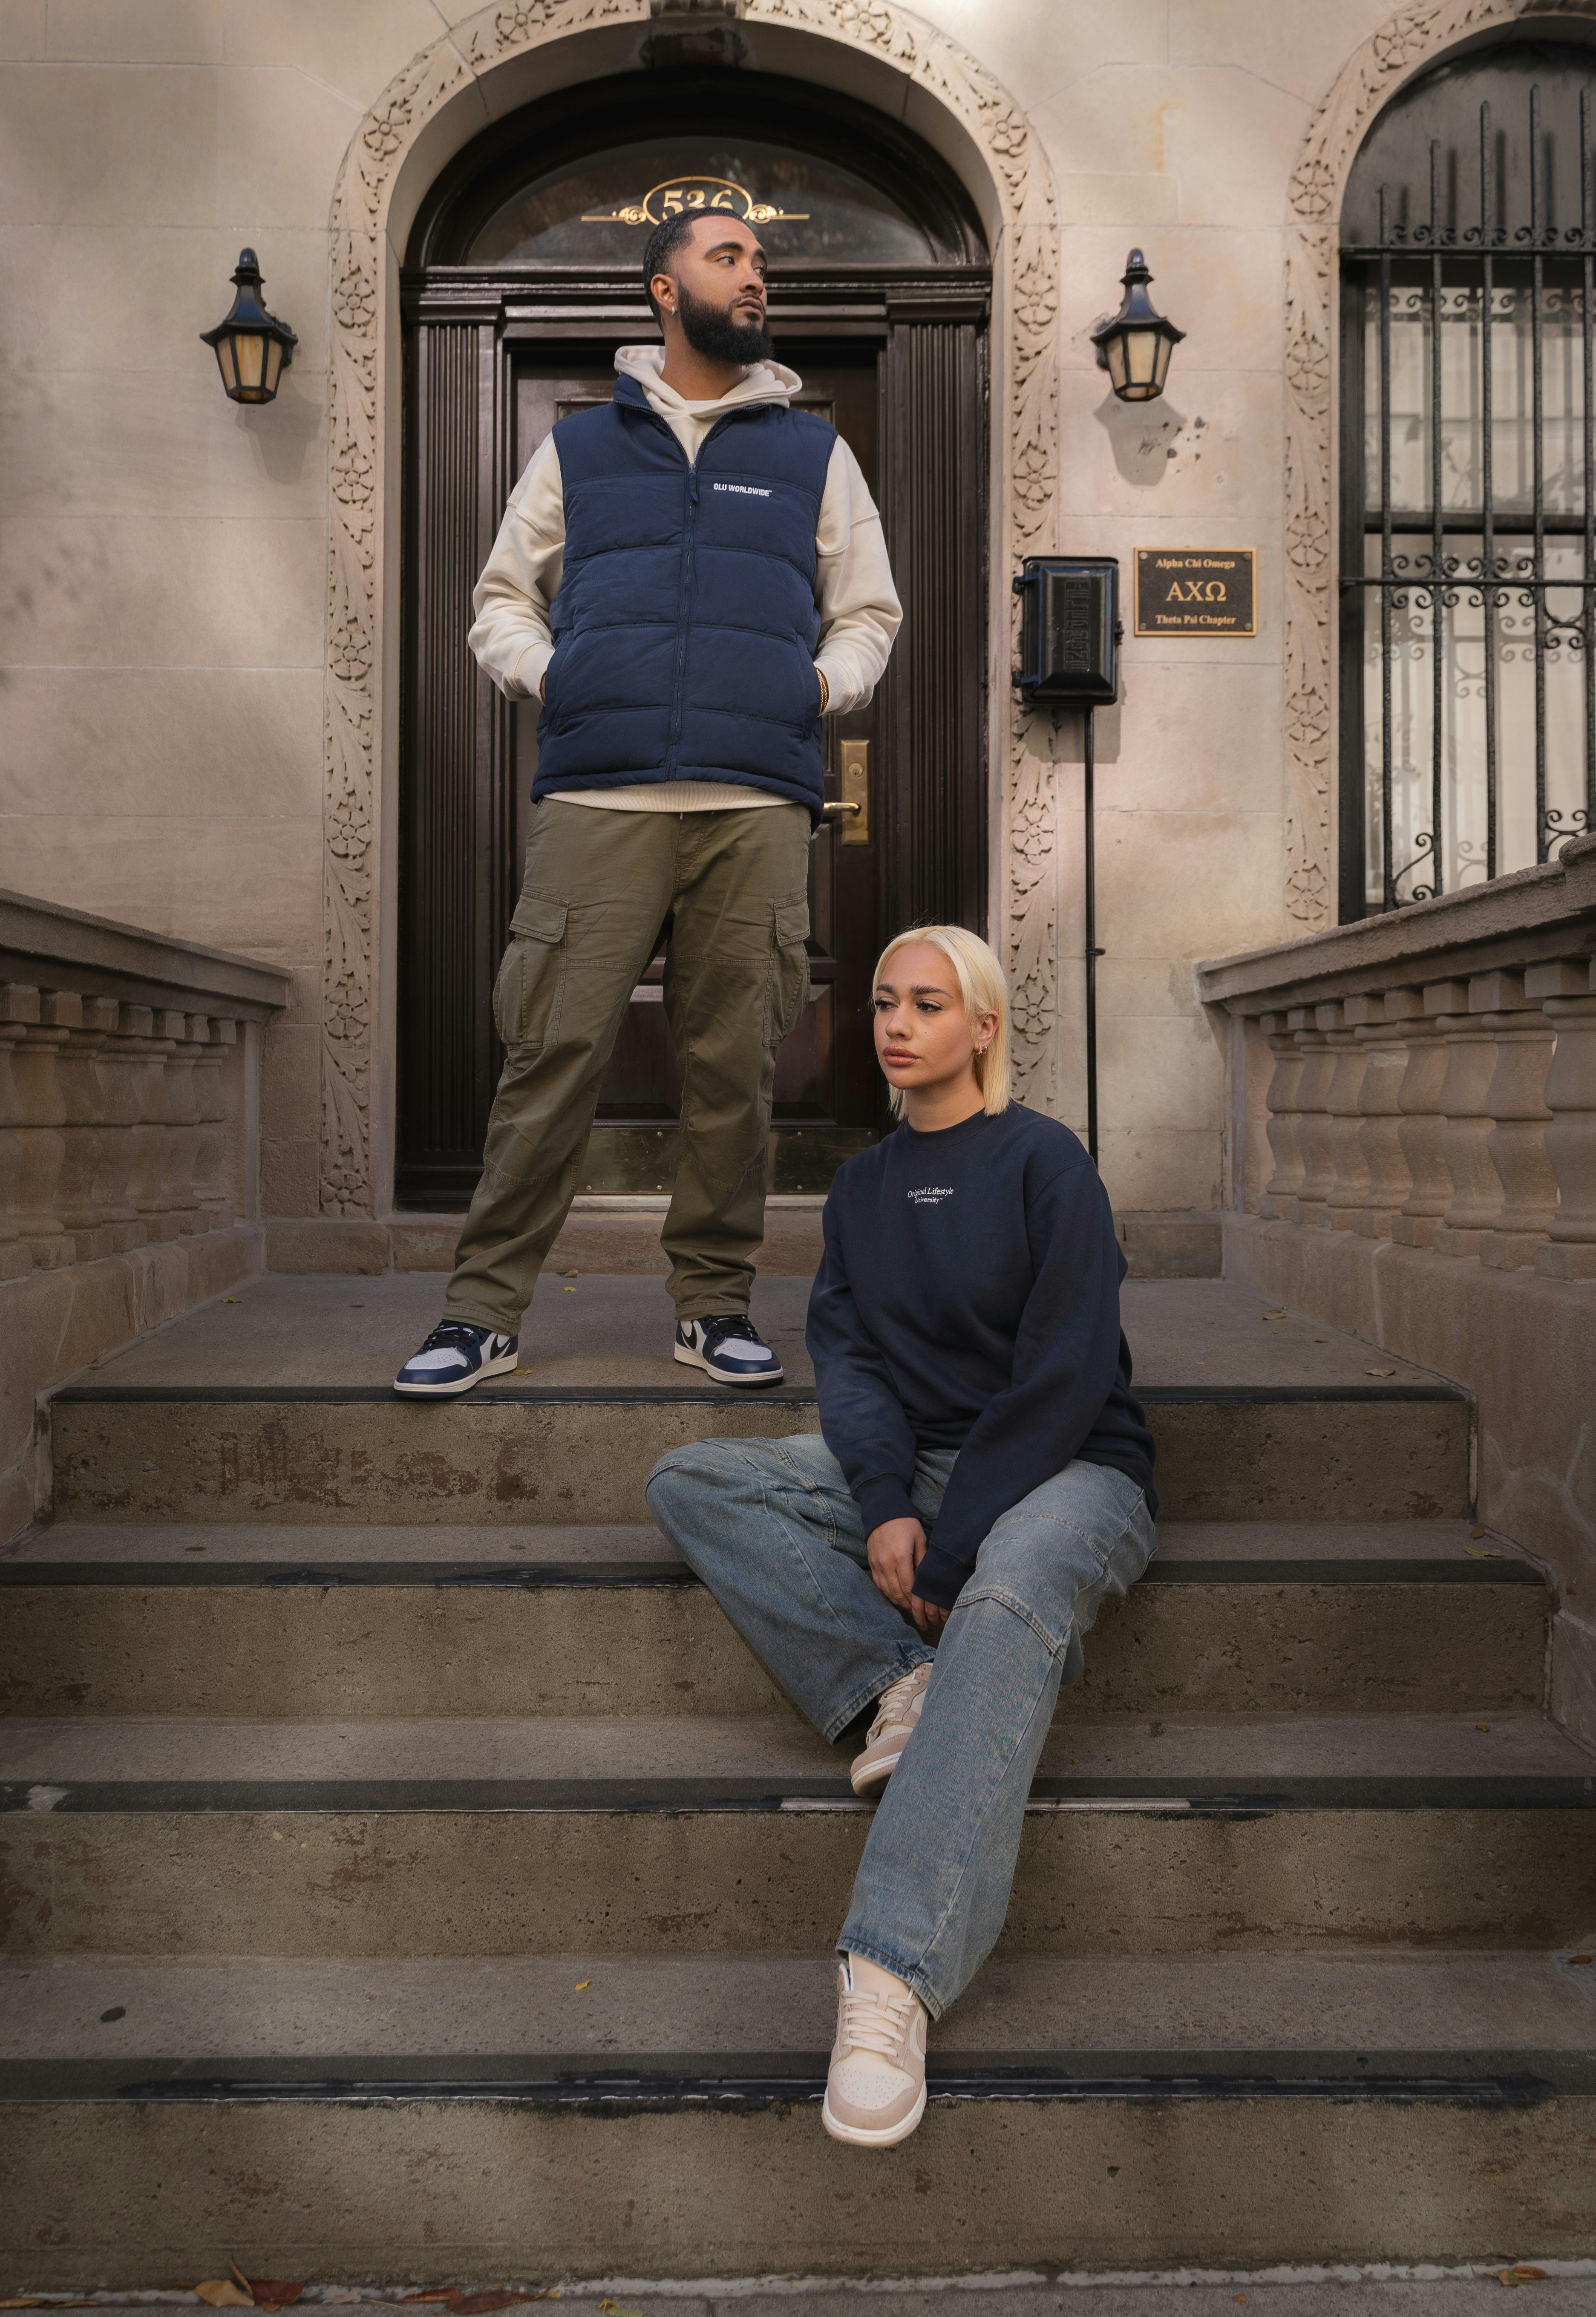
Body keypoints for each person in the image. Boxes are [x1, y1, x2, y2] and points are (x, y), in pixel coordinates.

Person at [645, 924, 1157, 2147]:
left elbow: (1068, 1368)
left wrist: (953, 1538)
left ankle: (889, 1975)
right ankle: (898, 1680)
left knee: (1008, 1593)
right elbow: (854, 1361)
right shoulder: (865, 1188)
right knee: (694, 1479)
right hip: (914, 1469)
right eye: (884, 1002)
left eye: (927, 1004)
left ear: (982, 1026)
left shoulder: (1046, 1164)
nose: (895, 1024)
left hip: (1070, 1467)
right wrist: (883, 1504)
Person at [394, 205, 902, 1400]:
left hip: (755, 799)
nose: (756, 276)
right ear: (665, 290)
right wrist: (560, 674)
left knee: (733, 1067)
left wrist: (812, 688)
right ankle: (482, 1314)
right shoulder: (577, 449)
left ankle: (714, 1303)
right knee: (552, 1054)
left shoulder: (813, 453)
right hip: (602, 795)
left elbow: (869, 612)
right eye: (729, 258)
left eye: (760, 260)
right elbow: (501, 600)